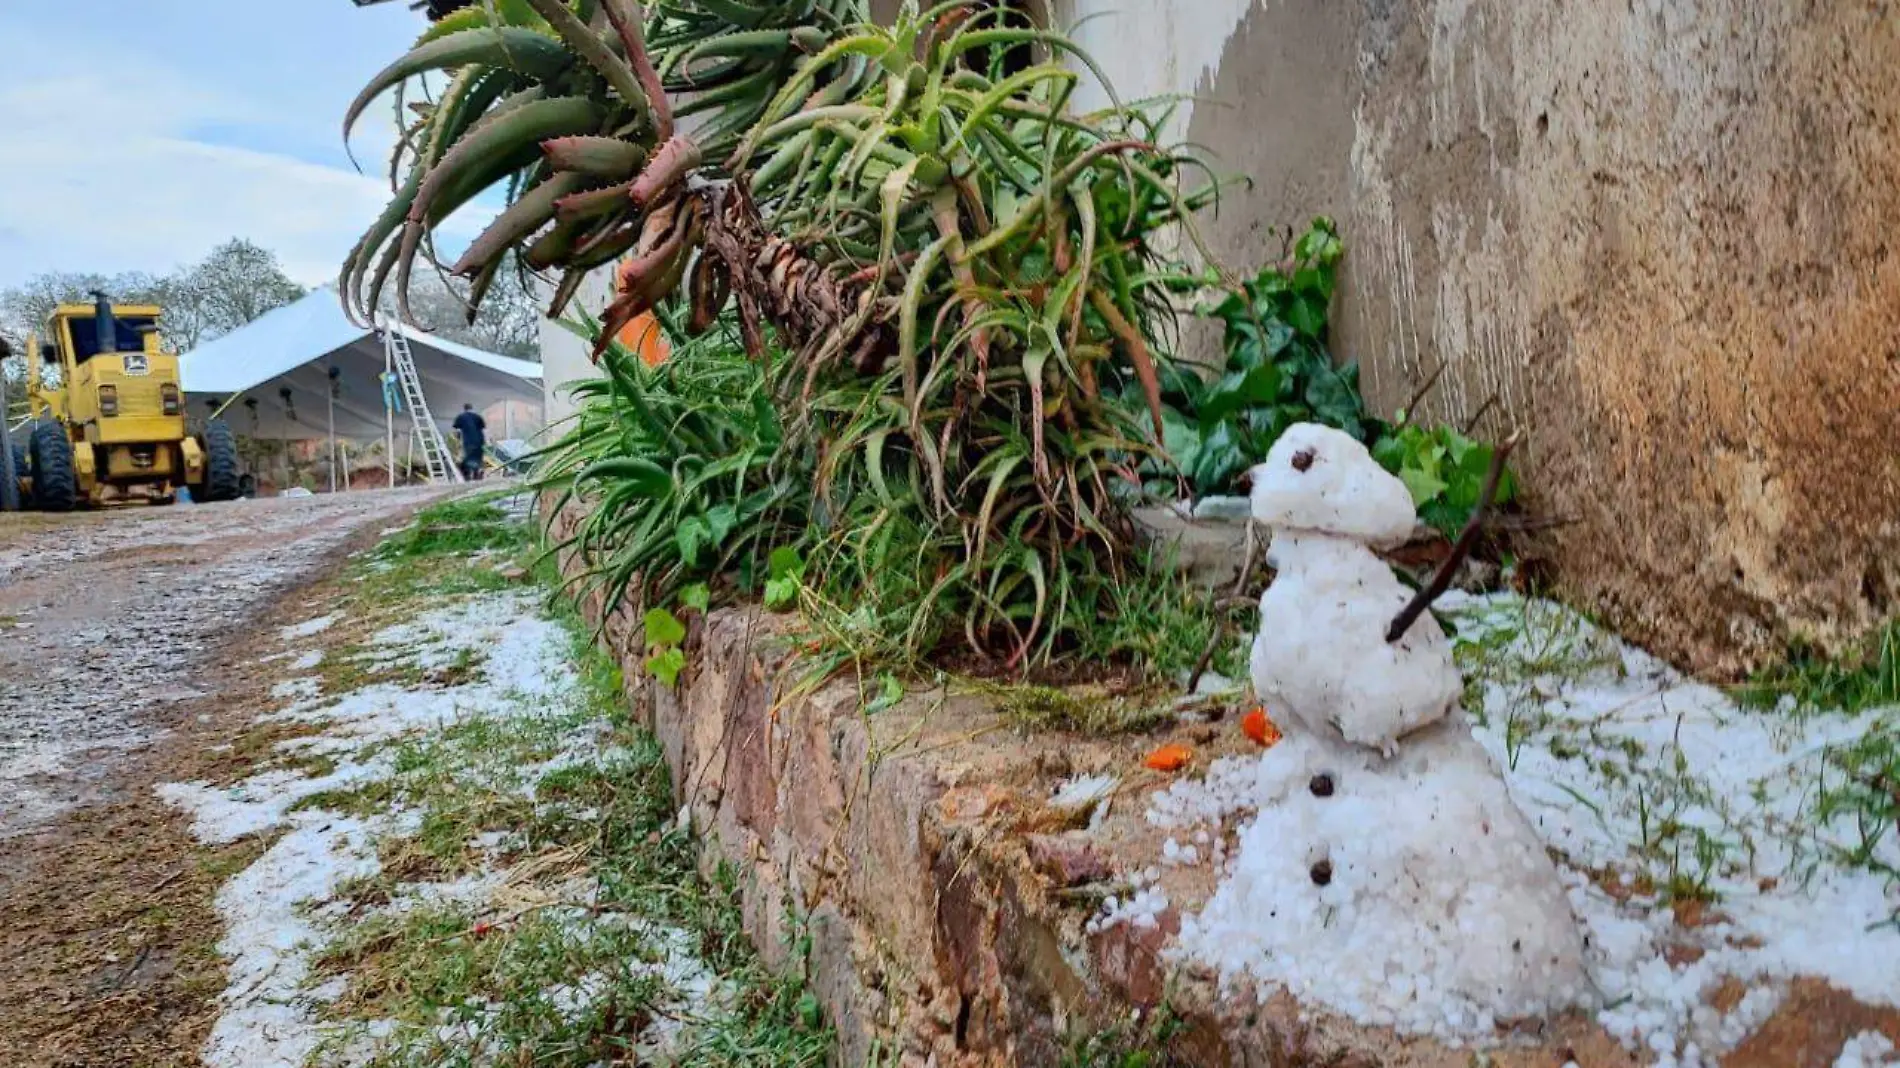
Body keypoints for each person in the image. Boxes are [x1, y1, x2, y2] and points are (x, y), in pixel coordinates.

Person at [452, 403, 486, 481]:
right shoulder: (478, 417)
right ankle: (476, 474)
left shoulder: (460, 417)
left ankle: (467, 476)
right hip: (479, 441)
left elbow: (456, 430)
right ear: (472, 408)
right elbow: (483, 429)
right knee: (477, 458)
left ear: (464, 409)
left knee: (466, 459)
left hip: (468, 441)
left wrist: (457, 440)